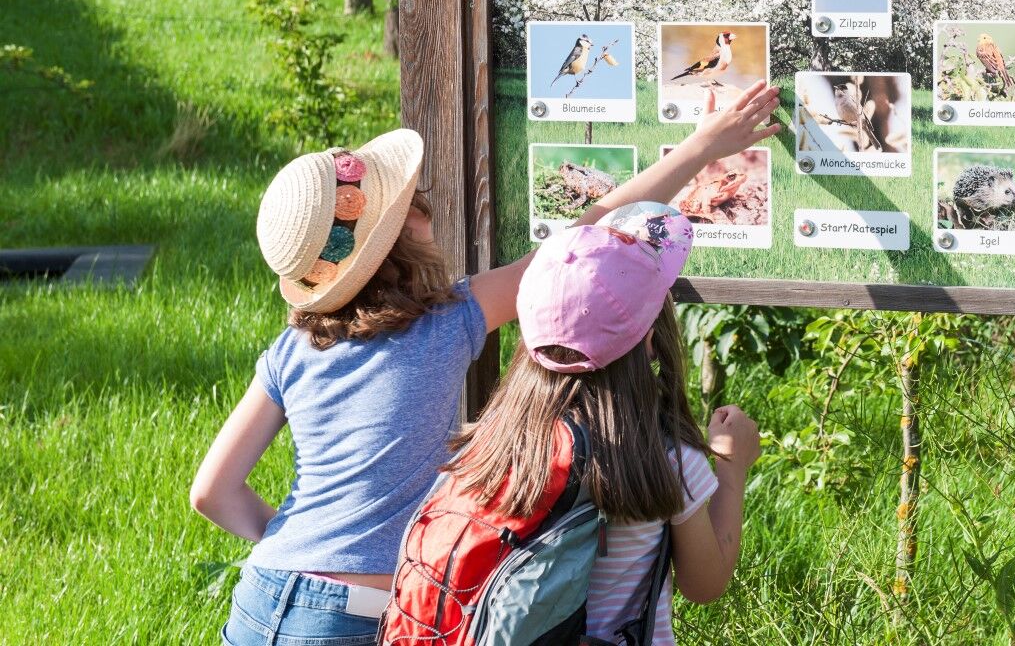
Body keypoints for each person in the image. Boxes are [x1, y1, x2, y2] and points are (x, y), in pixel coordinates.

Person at [189, 82, 780, 646]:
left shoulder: (291, 348)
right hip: (359, 617)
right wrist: (701, 147)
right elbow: (577, 245)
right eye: (415, 206)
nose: (428, 210)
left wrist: (304, 558)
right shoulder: (444, 324)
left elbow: (212, 493)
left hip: (259, 594)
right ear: (402, 238)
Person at [442, 199, 760, 646]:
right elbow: (704, 585)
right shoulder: (664, 456)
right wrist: (731, 465)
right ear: (651, 341)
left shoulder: (499, 443)